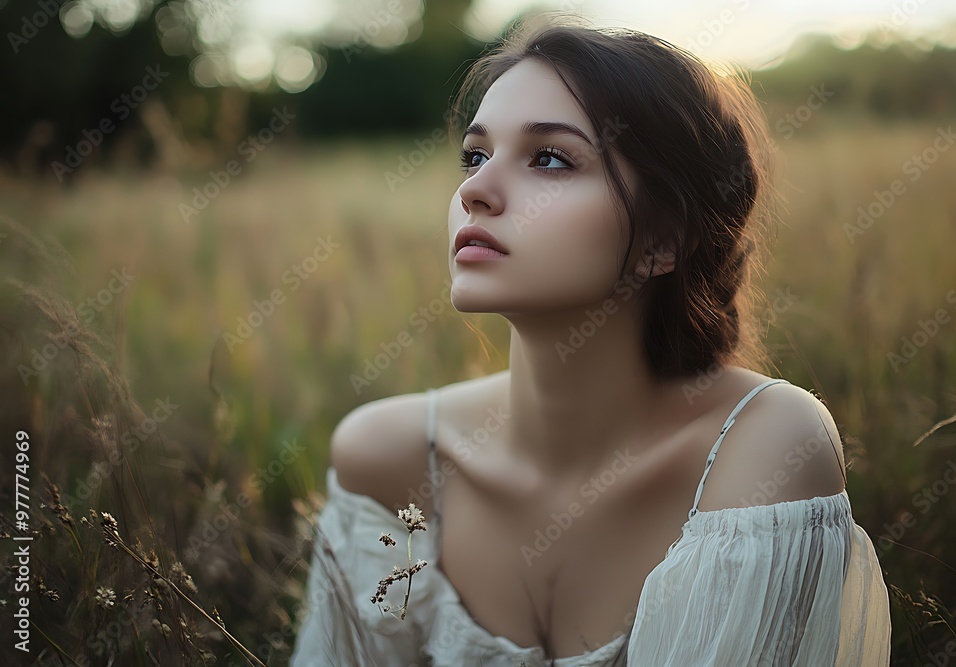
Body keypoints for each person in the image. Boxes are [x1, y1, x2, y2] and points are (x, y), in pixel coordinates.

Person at [290, 14, 891, 667]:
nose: (476, 191)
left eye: (549, 158)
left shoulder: (760, 449)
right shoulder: (391, 460)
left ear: (664, 237)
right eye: (475, 154)